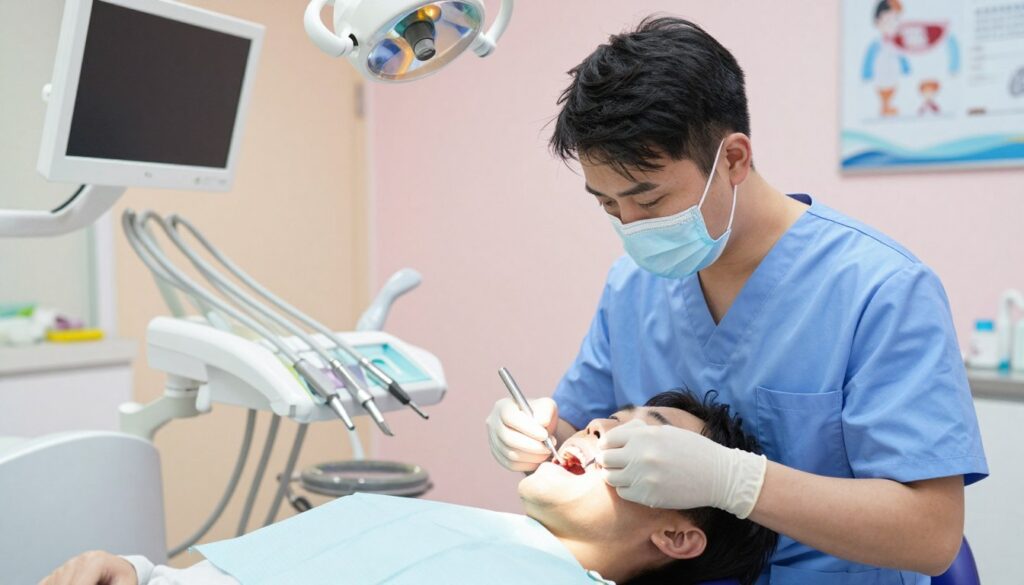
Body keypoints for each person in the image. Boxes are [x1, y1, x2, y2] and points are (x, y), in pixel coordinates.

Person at [486, 16, 987, 585]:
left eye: (647, 199)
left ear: (733, 159)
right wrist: (536, 435)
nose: (630, 225)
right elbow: (580, 429)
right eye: (606, 205)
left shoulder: (881, 290)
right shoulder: (633, 286)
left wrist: (739, 481)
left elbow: (932, 536)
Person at [41, 391, 778, 585]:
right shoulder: (421, 522)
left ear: (680, 532)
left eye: (642, 441)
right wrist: (133, 569)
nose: (597, 430)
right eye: (604, 420)